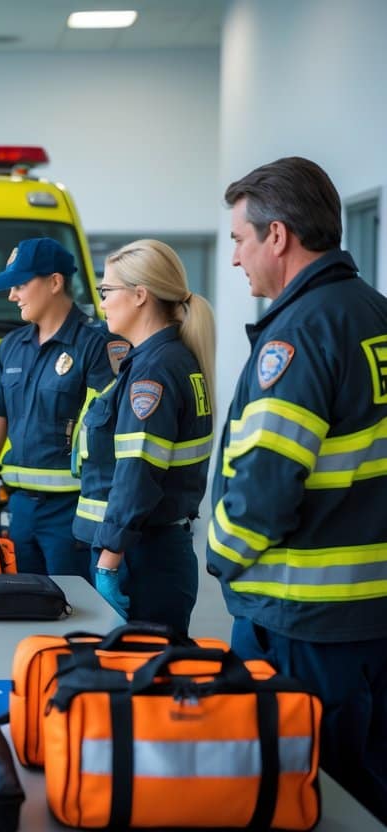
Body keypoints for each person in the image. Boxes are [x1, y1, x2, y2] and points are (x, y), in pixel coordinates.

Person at [208, 156, 387, 822]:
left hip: (302, 621)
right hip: (371, 613)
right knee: (363, 790)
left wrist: (218, 556)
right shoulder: (374, 314)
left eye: (238, 239)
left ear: (276, 235)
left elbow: (264, 490)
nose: (235, 259)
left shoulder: (301, 333)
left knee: (298, 791)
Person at [0, 237, 124, 577]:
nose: (11, 296)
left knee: (75, 617)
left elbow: (111, 437)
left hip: (74, 513)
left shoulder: (97, 345)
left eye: (19, 285)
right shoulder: (11, 348)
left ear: (54, 282)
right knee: (26, 611)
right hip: (21, 511)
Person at [70, 240, 214, 634]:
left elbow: (138, 474)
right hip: (151, 549)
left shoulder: (154, 372)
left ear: (139, 295)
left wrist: (109, 560)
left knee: (136, 682)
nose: (101, 303)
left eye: (106, 291)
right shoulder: (165, 361)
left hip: (139, 557)